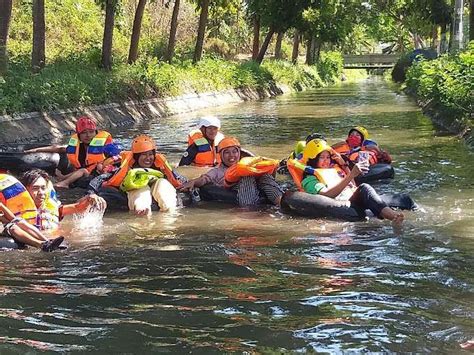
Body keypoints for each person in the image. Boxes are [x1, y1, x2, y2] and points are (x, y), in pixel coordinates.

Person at [288, 139, 404, 223]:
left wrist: (345, 166)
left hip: (351, 198)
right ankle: (392, 216)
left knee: (402, 198)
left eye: (328, 157)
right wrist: (351, 174)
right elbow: (327, 196)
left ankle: (397, 211)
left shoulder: (333, 170)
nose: (326, 161)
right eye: (322, 158)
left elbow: (352, 185)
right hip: (342, 204)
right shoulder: (309, 179)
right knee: (364, 188)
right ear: (312, 160)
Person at [179, 137, 283, 207]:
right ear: (221, 156)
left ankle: (281, 202)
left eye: (234, 151)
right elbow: (204, 179)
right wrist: (193, 182)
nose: (232, 156)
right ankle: (249, 212)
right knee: (246, 177)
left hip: (260, 192)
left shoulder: (249, 164)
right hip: (242, 197)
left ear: (239, 153)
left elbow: (270, 175)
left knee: (265, 176)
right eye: (227, 153)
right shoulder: (217, 171)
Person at [24, 116, 121, 189]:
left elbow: (117, 158)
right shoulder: (77, 146)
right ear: (78, 135)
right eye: (84, 133)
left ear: (96, 133)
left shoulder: (105, 145)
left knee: (82, 171)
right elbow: (59, 148)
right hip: (86, 173)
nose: (88, 135)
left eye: (91, 132)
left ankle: (64, 182)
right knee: (81, 170)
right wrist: (37, 150)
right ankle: (64, 178)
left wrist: (105, 167)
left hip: (100, 175)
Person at [100, 135, 182, 216]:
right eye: (144, 154)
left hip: (157, 189)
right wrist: (91, 192)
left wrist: (188, 184)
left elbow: (177, 178)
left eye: (150, 154)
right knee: (140, 186)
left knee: (163, 182)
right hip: (136, 192)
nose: (148, 158)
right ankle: (142, 211)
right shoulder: (125, 166)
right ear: (136, 156)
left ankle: (169, 211)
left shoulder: (160, 165)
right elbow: (103, 178)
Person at [19, 169, 106, 231]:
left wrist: (90, 198)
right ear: (25, 190)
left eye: (43, 188)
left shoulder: (53, 208)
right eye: (35, 188)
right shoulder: (15, 210)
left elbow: (78, 207)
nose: (41, 192)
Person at [0, 174, 64, 251]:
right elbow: (5, 220)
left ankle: (48, 242)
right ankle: (41, 245)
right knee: (13, 227)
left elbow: (13, 218)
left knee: (19, 221)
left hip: (7, 225)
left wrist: (1, 206)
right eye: (36, 188)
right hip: (5, 228)